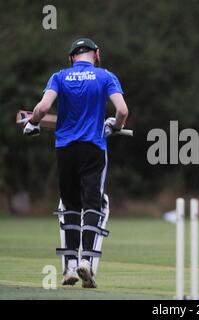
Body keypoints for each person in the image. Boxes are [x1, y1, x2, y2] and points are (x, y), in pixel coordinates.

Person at [22, 38, 129, 288]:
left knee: (70, 206)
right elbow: (122, 111)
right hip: (93, 147)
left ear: (71, 58)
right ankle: (87, 262)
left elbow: (43, 107)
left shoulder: (59, 76)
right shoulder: (105, 76)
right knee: (94, 205)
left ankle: (69, 266)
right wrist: (115, 126)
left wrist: (33, 123)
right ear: (97, 54)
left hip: (65, 149)